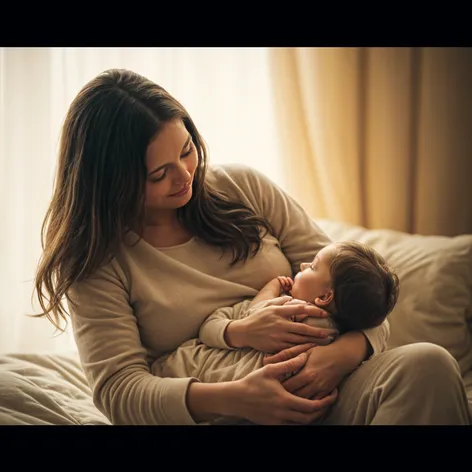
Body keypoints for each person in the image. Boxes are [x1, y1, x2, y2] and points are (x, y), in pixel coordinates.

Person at [33, 68, 471, 425]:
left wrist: (344, 353)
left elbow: (358, 283)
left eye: (187, 151)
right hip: (221, 411)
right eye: (158, 174)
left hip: (323, 386)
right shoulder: (97, 260)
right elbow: (118, 390)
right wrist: (239, 398)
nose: (185, 176)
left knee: (429, 364)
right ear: (111, 183)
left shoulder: (242, 187)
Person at [151, 240, 400, 387]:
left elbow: (221, 324)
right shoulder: (342, 330)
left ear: (324, 297)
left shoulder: (288, 311)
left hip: (181, 371)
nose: (301, 266)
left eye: (312, 266)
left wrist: (270, 288)